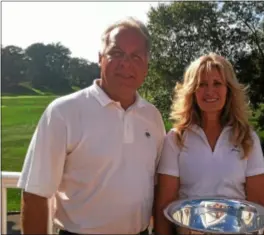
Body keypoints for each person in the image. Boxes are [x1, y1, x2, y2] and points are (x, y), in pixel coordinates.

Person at [17, 17, 166, 234]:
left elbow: (155, 185)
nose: (126, 63)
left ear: (146, 65)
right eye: (116, 53)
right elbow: (35, 194)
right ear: (100, 58)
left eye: (136, 56)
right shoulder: (63, 112)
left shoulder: (152, 117)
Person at [154, 53, 264, 235]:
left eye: (217, 83)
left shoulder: (246, 138)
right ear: (192, 91)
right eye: (202, 84)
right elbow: (164, 203)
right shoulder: (176, 138)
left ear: (228, 90)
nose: (210, 91)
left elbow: (261, 201)